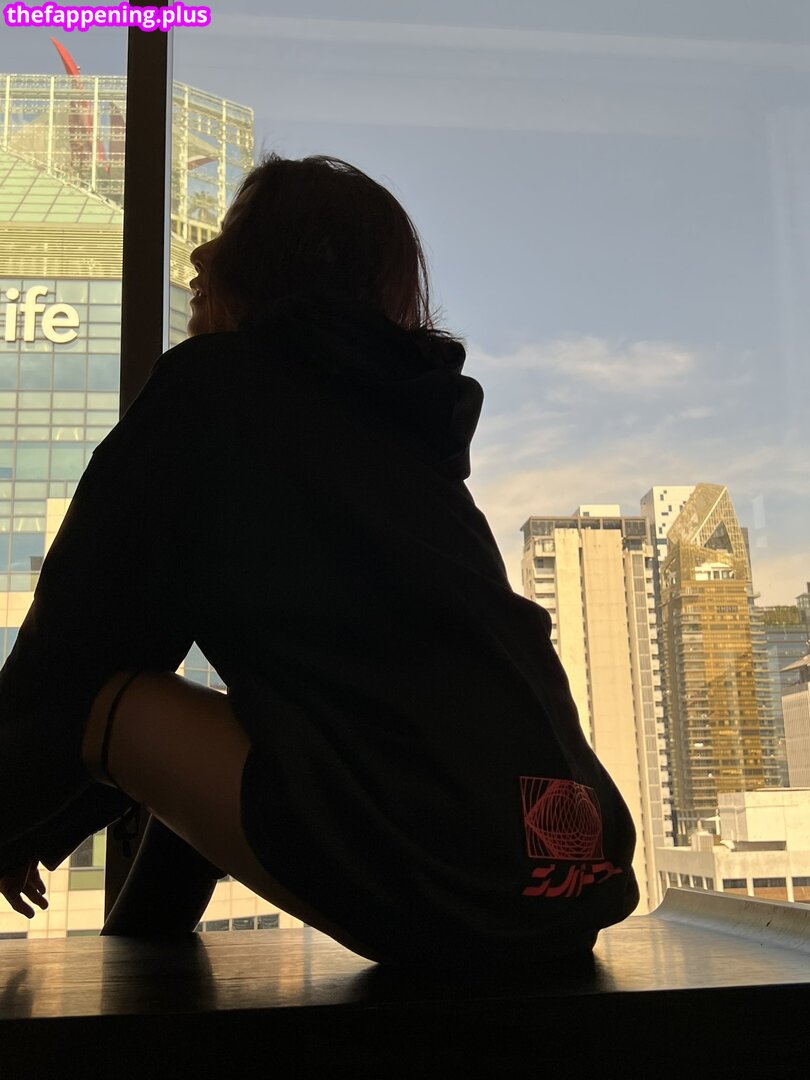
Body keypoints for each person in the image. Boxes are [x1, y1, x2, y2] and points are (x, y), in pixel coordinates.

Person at [0, 153, 638, 966]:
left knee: (116, 699)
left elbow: (76, 645)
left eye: (230, 236)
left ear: (278, 268)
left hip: (443, 884)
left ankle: (134, 986)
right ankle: (143, 957)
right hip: (570, 875)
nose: (198, 256)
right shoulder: (404, 440)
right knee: (247, 711)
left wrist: (15, 822)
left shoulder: (211, 389)